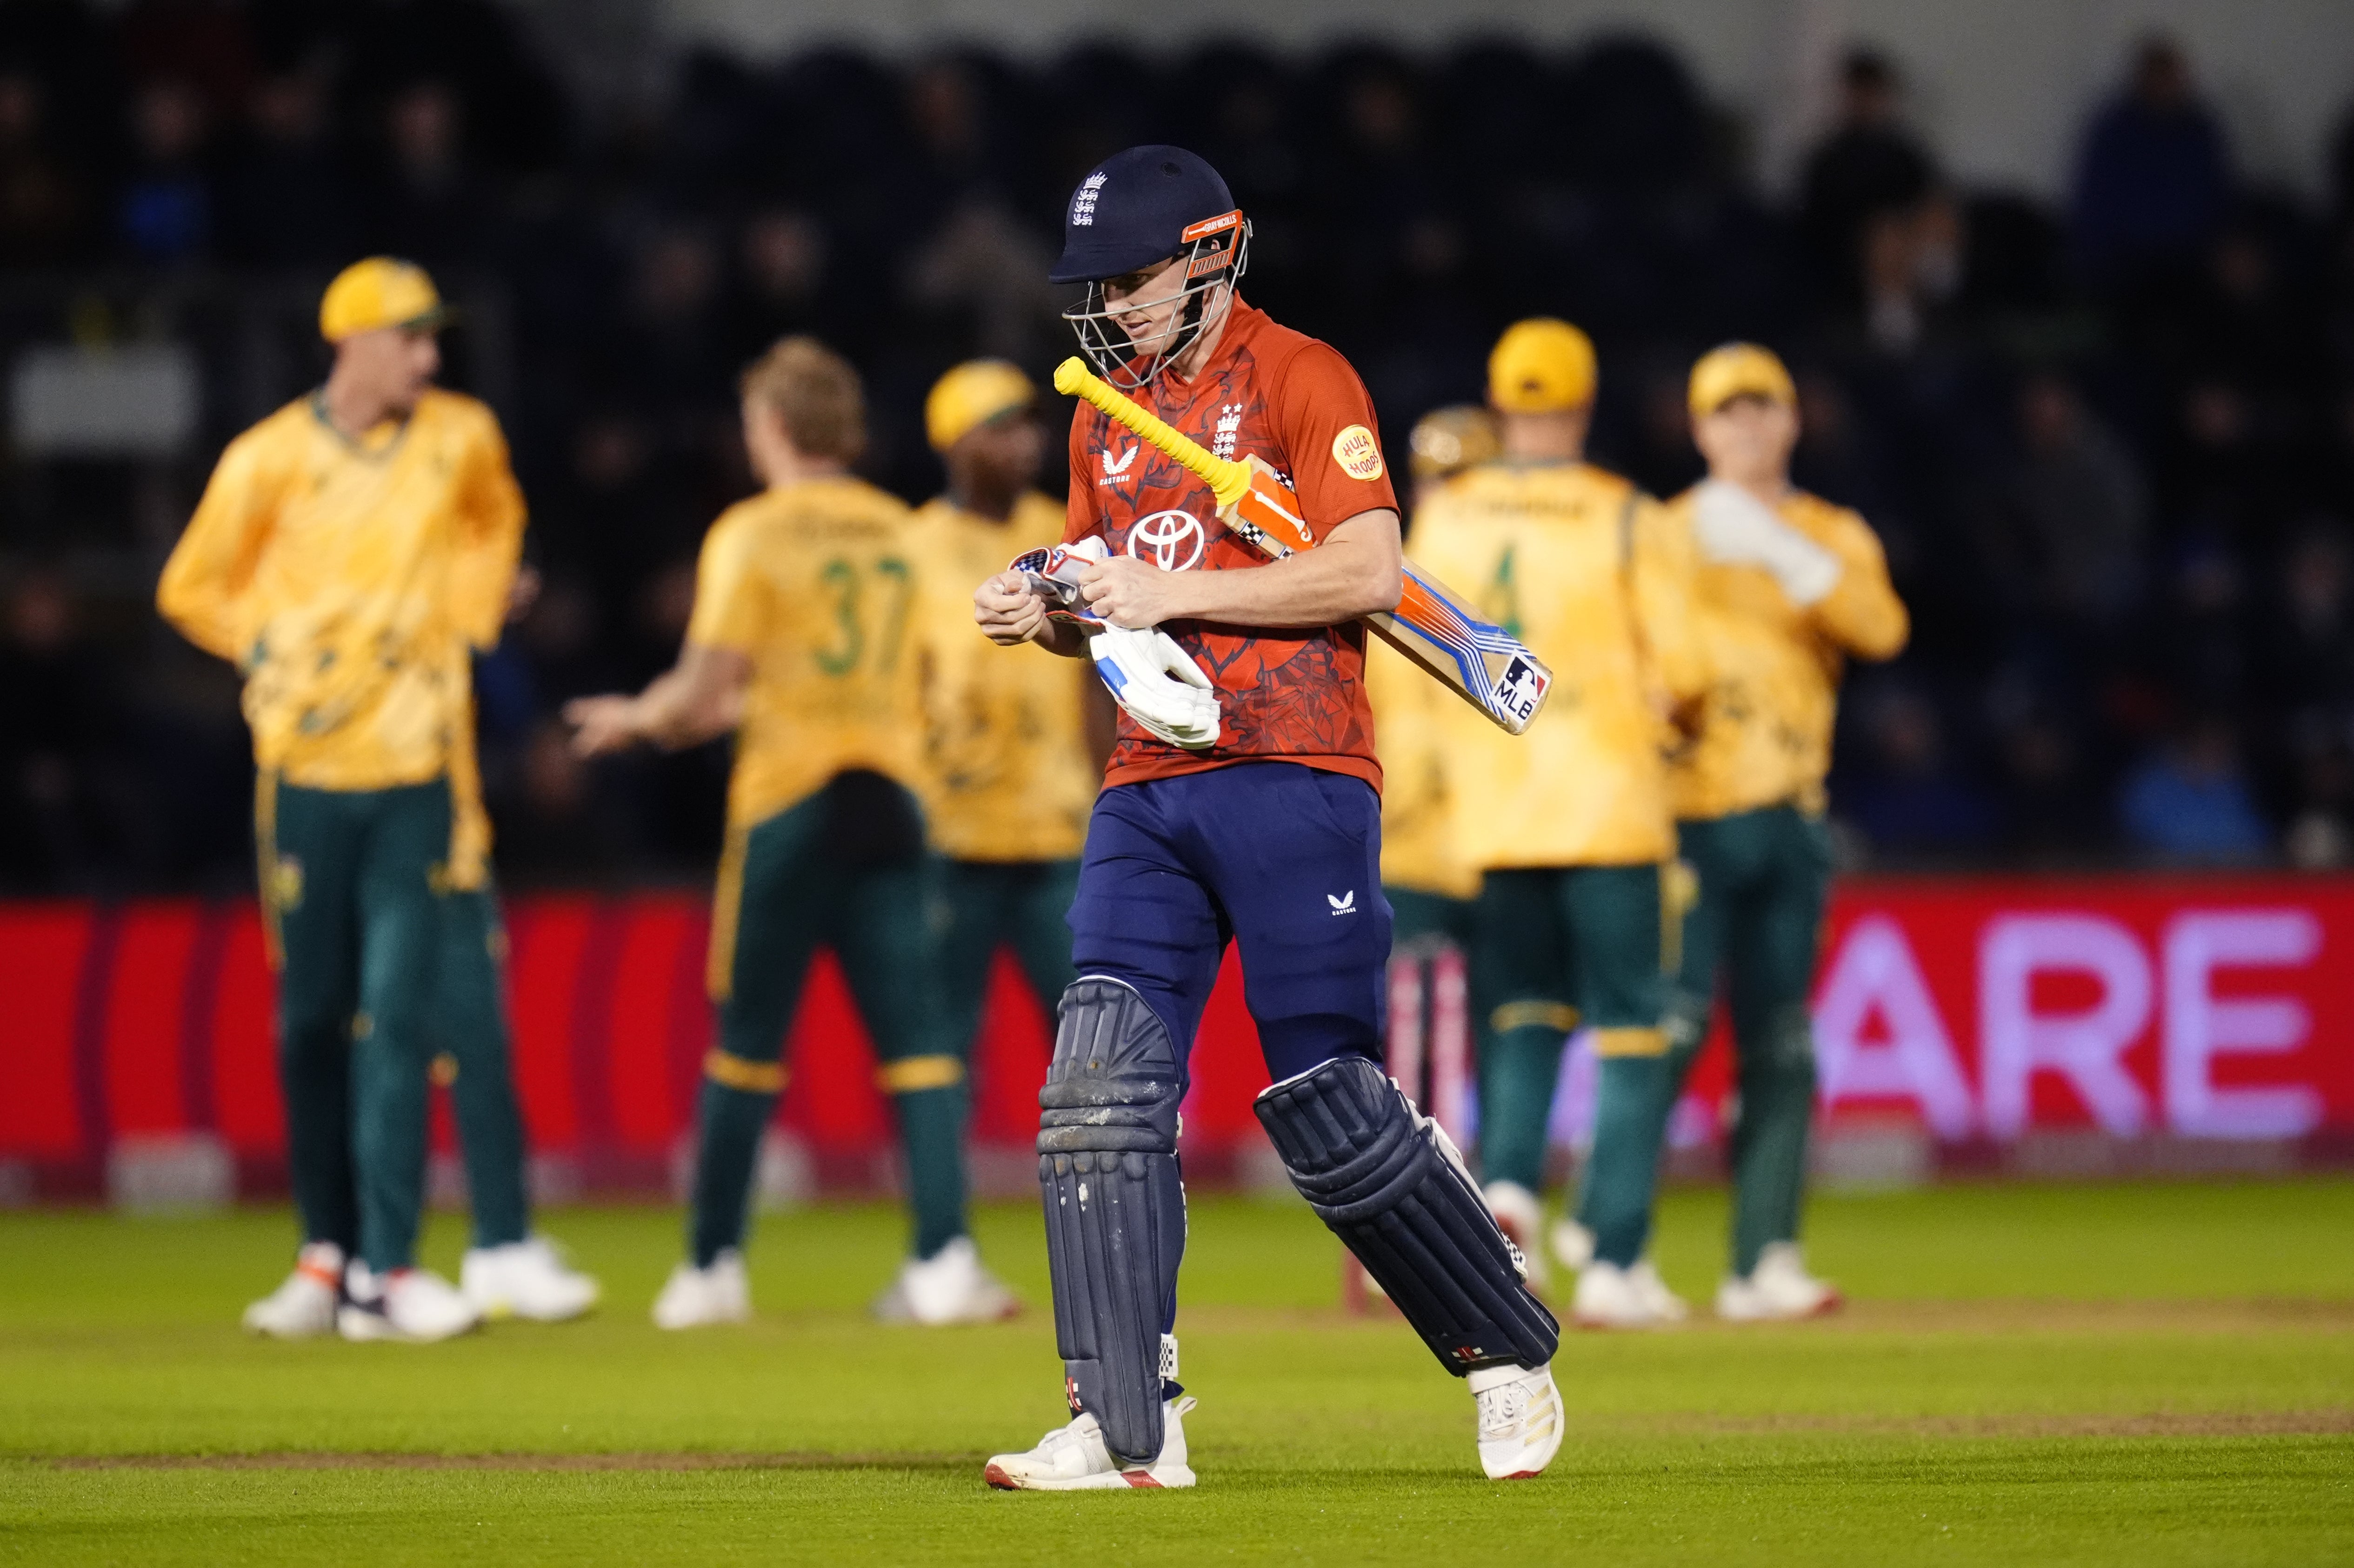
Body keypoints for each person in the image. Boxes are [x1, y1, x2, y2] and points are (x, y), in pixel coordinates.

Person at [971, 146, 1562, 1491]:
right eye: (1098, 285)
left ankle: (1504, 1353)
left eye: (1133, 279)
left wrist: (1160, 595)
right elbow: (1098, 599)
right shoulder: (1102, 417)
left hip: (1297, 768)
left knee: (1327, 1102)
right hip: (1146, 780)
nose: (1112, 306)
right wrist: (1040, 604)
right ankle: (1126, 1421)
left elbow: (1367, 570)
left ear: (1208, 256)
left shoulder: (1303, 375)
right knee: (1095, 1095)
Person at [565, 336, 1014, 1330]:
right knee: (921, 1048)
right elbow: (926, 675)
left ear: (769, 426)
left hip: (788, 800)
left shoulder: (752, 533)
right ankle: (944, 1261)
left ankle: (711, 1268)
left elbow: (705, 690)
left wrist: (639, 717)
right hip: (890, 798)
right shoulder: (902, 531)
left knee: (746, 1048)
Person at [158, 257, 521, 1342]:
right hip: (307, 773)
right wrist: (264, 641)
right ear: (352, 342)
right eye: (411, 337)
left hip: (414, 769)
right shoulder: (268, 458)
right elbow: (190, 587)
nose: (429, 358)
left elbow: (495, 521)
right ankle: (327, 1254)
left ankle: (389, 1268)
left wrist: (467, 618)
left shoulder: (457, 437)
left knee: (397, 1016)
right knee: (311, 1017)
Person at [1410, 318, 1707, 1328]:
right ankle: (1615, 1259)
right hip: (1609, 808)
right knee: (1633, 1029)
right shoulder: (1626, 516)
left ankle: (1507, 1193)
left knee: (1522, 1017)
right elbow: (1686, 673)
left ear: (1499, 405)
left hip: (1494, 814)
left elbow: (1409, 653)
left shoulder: (1445, 517)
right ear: (1583, 402)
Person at [1657, 343, 1908, 1320]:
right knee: (1666, 1037)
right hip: (1686, 814)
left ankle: (1763, 1259)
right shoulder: (1665, 534)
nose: (1746, 426)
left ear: (1792, 420)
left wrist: (1775, 548)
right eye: (1727, 412)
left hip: (1792, 813)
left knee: (1781, 1043)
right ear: (1698, 429)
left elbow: (1880, 629)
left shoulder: (1828, 533)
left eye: (1761, 407)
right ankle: (1610, 1248)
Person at [907, 362, 1097, 1326]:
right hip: (949, 834)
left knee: (1099, 1053)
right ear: (952, 441)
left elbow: (1100, 670)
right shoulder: (909, 549)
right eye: (997, 426)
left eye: (1026, 425)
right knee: (940, 1057)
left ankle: (1113, 1245)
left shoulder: (1061, 533)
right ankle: (941, 1256)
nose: (1021, 442)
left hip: (1057, 828)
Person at [432, 677, 603, 1324]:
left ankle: (500, 1244)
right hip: (348, 822)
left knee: (478, 1047)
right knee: (358, 1040)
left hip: (446, 845)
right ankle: (354, 1257)